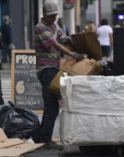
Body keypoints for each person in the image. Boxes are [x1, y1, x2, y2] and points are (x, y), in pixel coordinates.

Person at [34, 2, 84, 148]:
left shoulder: (54, 26)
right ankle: (46, 139)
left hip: (54, 68)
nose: (54, 19)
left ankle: (42, 137)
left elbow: (62, 37)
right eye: (51, 16)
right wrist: (73, 54)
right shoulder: (40, 27)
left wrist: (72, 40)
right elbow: (55, 44)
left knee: (51, 105)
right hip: (45, 69)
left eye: (55, 16)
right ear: (44, 15)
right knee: (52, 106)